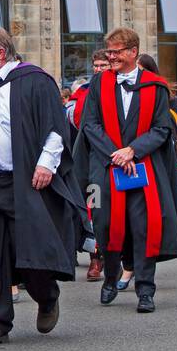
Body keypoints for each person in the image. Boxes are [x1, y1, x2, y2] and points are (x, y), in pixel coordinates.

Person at [0, 28, 87, 347]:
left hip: (24, 181)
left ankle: (46, 294)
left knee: (31, 247)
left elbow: (55, 128)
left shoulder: (35, 81)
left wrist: (46, 163)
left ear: (1, 53)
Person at [74, 27, 177, 313]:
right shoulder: (99, 85)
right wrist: (116, 153)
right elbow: (90, 125)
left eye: (115, 52)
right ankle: (110, 279)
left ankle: (146, 290)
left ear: (133, 52)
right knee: (108, 225)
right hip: (107, 166)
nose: (110, 57)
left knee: (143, 227)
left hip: (142, 169)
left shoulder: (155, 86)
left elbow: (163, 129)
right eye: (108, 52)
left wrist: (133, 150)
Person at [70, 49, 110, 281]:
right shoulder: (86, 92)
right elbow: (77, 121)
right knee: (93, 210)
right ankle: (96, 258)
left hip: (116, 159)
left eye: (102, 65)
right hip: (90, 158)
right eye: (95, 65)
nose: (97, 69)